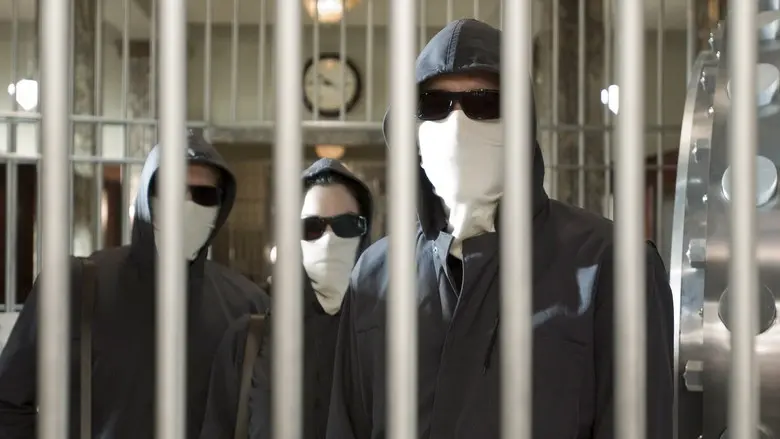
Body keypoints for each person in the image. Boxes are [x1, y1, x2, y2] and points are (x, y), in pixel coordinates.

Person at [326, 19, 674, 439]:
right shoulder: (376, 274)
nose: (457, 126)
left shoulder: (610, 267)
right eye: (435, 105)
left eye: (485, 103)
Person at [0, 131, 270, 438]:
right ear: (146, 195)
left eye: (204, 195)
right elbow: (9, 403)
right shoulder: (75, 287)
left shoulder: (247, 307)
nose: (187, 206)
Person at [199, 158, 374, 439]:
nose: (329, 240)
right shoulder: (248, 344)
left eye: (347, 225)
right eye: (312, 228)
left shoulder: (386, 345)